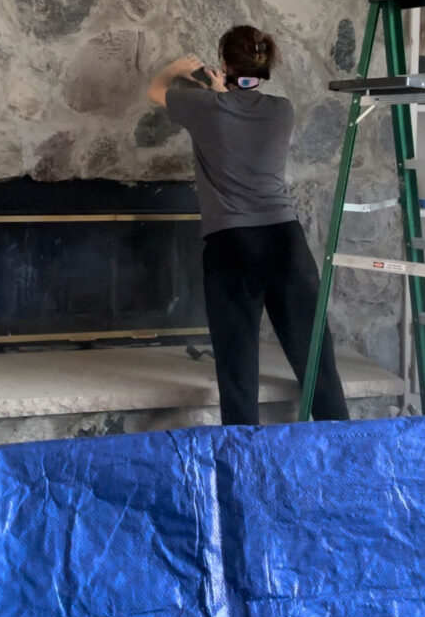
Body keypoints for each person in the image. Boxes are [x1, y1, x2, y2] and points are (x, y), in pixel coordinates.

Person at [147, 24, 349, 426]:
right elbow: (240, 112)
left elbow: (154, 91)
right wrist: (224, 91)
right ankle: (349, 459)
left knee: (238, 372)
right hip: (286, 242)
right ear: (262, 66)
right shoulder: (282, 110)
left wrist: (177, 69)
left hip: (231, 247)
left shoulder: (203, 108)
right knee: (316, 362)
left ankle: (244, 471)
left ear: (223, 63)